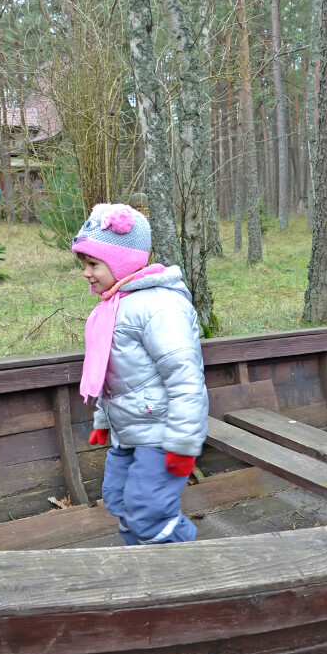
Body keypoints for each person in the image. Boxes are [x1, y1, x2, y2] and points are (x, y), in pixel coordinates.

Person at [70, 203, 208, 545]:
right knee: (118, 499)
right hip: (128, 430)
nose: (86, 273)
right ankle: (144, 573)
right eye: (83, 264)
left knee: (148, 511)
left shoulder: (158, 306)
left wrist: (183, 444)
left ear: (120, 263)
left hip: (161, 434)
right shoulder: (114, 306)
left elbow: (185, 377)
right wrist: (103, 419)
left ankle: (198, 572)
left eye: (93, 264)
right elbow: (110, 371)